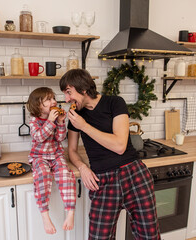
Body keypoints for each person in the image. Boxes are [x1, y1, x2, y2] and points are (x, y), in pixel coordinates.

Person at [60, 69, 160, 240]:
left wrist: (84, 126)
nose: (67, 99)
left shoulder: (115, 103)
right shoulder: (76, 116)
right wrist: (83, 167)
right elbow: (72, 150)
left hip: (134, 174)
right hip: (103, 181)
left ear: (83, 89)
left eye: (69, 93)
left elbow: (120, 146)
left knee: (149, 236)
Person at [26, 87, 76, 234]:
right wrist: (50, 121)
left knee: (65, 175)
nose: (54, 101)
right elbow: (39, 137)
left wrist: (60, 122)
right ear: (38, 105)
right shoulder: (34, 120)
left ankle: (70, 212)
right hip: (39, 156)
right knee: (42, 175)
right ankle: (45, 215)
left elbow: (60, 138)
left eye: (53, 98)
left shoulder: (55, 118)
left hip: (56, 155)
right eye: (48, 99)